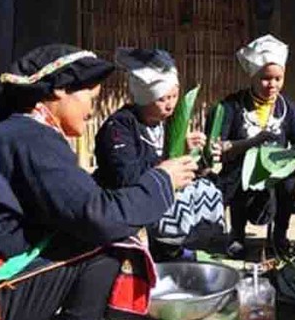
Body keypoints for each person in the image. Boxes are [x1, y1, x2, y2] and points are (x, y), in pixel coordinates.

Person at [0, 44, 198, 320]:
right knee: (111, 240)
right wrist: (163, 180)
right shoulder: (31, 138)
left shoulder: (13, 132)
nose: (91, 109)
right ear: (58, 90)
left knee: (80, 228)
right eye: (90, 97)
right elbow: (99, 216)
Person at [94, 48, 225, 258]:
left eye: (174, 96)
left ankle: (185, 246)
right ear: (145, 98)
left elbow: (180, 166)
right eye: (163, 99)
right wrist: (169, 160)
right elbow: (125, 174)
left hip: (160, 194)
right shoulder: (119, 127)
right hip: (129, 201)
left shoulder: (168, 124)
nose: (171, 104)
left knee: (208, 188)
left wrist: (197, 156)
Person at [213, 35, 295, 259]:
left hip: (275, 174)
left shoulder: (288, 109)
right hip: (241, 174)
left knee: (291, 178)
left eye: (278, 78)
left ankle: (279, 235)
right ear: (253, 76)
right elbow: (220, 146)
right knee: (239, 173)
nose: (273, 85)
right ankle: (237, 235)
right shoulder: (232, 105)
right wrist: (251, 143)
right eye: (266, 79)